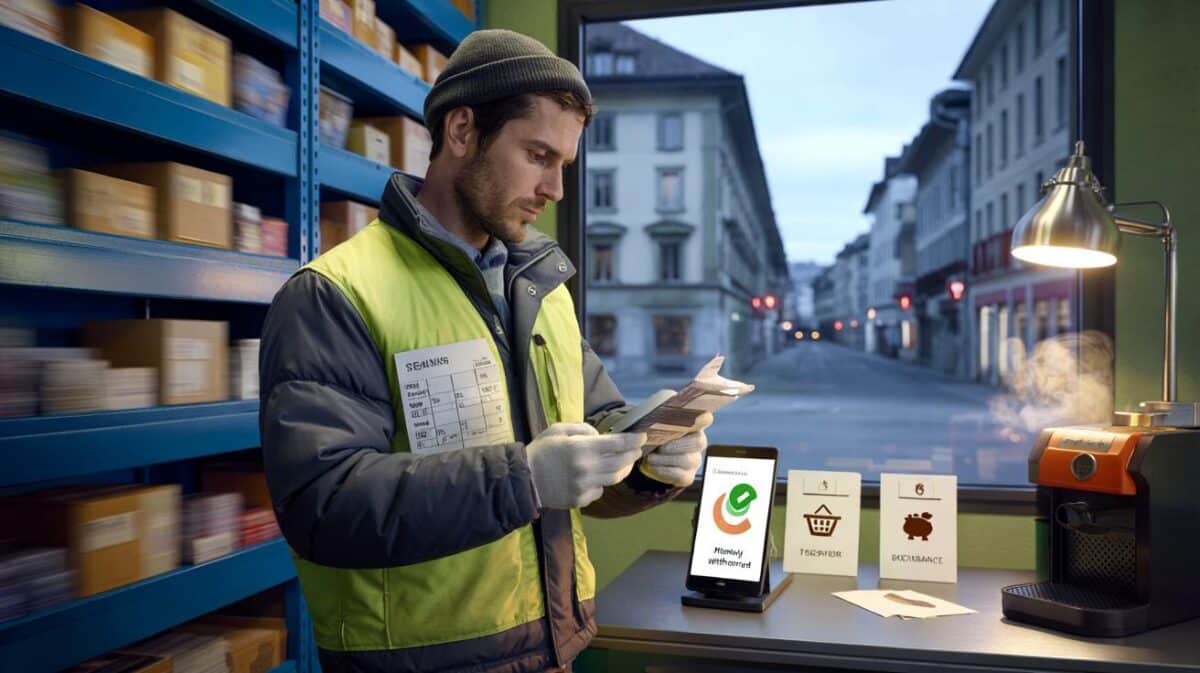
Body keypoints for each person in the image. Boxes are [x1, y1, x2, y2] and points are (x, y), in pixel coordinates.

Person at [259, 29, 711, 673]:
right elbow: (323, 506)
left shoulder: (541, 291)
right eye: (537, 154)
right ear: (463, 131)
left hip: (553, 648)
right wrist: (526, 478)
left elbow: (591, 446)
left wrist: (648, 460)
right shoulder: (335, 294)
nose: (555, 188)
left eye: (564, 164)